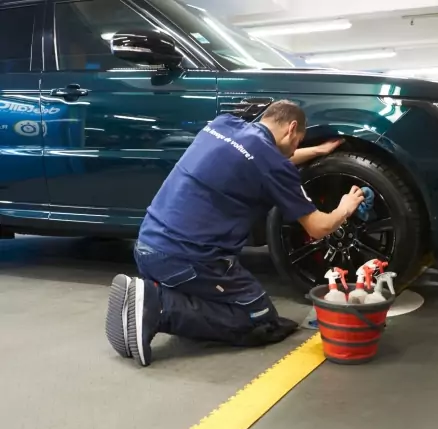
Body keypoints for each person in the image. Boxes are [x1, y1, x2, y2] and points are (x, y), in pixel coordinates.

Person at [105, 100, 365, 367]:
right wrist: (344, 208)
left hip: (148, 246)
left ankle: (154, 296)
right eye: (298, 141)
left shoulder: (223, 126)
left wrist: (316, 150)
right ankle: (158, 306)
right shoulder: (273, 165)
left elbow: (262, 159)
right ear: (292, 128)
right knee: (260, 318)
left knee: (231, 302)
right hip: (188, 261)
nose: (296, 148)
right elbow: (318, 226)